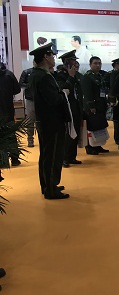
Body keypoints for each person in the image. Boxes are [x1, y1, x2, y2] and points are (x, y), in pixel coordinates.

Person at [28, 43, 72, 199]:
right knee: (53, 155)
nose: (53, 58)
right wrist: (64, 93)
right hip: (52, 121)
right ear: (46, 57)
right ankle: (51, 189)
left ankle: (47, 184)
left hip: (45, 120)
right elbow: (53, 99)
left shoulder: (36, 74)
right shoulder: (44, 76)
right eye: (52, 55)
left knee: (46, 154)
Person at [54, 50, 83, 167]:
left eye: (75, 60)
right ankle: (64, 158)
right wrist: (70, 77)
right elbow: (64, 89)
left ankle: (72, 156)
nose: (75, 63)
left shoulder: (76, 75)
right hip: (67, 108)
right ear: (66, 62)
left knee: (75, 132)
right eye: (73, 60)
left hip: (76, 107)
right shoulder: (59, 75)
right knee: (67, 133)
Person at [81, 56, 109, 155]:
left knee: (99, 127)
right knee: (91, 127)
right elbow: (87, 93)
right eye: (95, 63)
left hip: (100, 105)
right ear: (90, 65)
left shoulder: (99, 76)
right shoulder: (87, 77)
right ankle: (89, 147)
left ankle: (97, 145)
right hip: (92, 106)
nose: (98, 65)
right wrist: (91, 106)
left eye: (99, 63)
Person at [0, 62, 23, 166]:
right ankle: (14, 159)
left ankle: (3, 161)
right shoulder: (9, 74)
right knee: (10, 133)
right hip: (7, 109)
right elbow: (17, 89)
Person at [19, 65, 36, 147]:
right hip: (30, 99)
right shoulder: (26, 72)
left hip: (42, 99)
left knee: (42, 120)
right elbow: (20, 84)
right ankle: (30, 139)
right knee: (30, 120)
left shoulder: (44, 73)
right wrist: (30, 85)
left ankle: (43, 138)